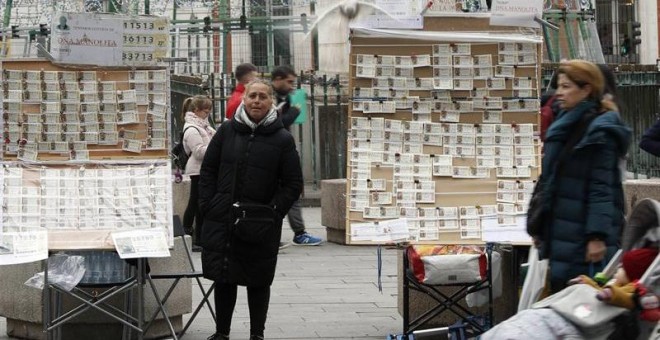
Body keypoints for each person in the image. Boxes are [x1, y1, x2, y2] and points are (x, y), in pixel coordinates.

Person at [198, 79, 303, 340]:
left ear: (271, 102)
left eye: (263, 97)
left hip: (261, 222)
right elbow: (209, 169)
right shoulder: (226, 132)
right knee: (224, 278)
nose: (257, 101)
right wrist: (209, 203)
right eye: (252, 96)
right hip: (223, 218)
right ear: (244, 99)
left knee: (258, 280)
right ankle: (222, 332)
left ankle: (257, 334)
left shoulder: (282, 139)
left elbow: (293, 184)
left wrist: (273, 212)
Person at [532, 60, 631, 293]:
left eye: (566, 87)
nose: (558, 93)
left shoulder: (600, 131)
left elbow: (602, 187)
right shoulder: (563, 122)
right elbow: (549, 180)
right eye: (559, 86)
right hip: (562, 228)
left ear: (586, 89)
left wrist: (596, 236)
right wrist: (539, 225)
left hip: (583, 236)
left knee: (580, 301)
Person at [270, 65, 323, 246]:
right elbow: (276, 124)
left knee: (291, 192)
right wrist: (294, 112)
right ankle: (287, 233)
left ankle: (298, 232)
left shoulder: (283, 98)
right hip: (273, 156)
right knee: (279, 194)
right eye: (289, 81)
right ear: (277, 79)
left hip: (281, 153)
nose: (292, 86)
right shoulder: (268, 98)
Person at [182, 95, 215, 252]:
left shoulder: (204, 126)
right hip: (197, 170)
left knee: (199, 204)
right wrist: (217, 146)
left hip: (205, 170)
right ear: (197, 110)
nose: (207, 115)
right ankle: (189, 233)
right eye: (206, 111)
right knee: (195, 203)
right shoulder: (192, 129)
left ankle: (199, 237)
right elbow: (198, 152)